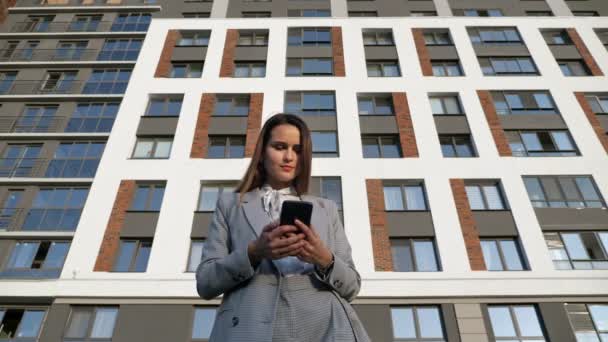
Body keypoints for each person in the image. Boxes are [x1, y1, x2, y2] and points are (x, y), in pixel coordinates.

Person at [196, 113, 371, 342]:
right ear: (262, 152)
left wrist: (324, 258)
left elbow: (351, 287)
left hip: (325, 327)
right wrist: (254, 252)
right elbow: (205, 282)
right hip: (250, 325)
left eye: (297, 150)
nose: (289, 157)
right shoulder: (230, 205)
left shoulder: (326, 209)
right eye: (280, 147)